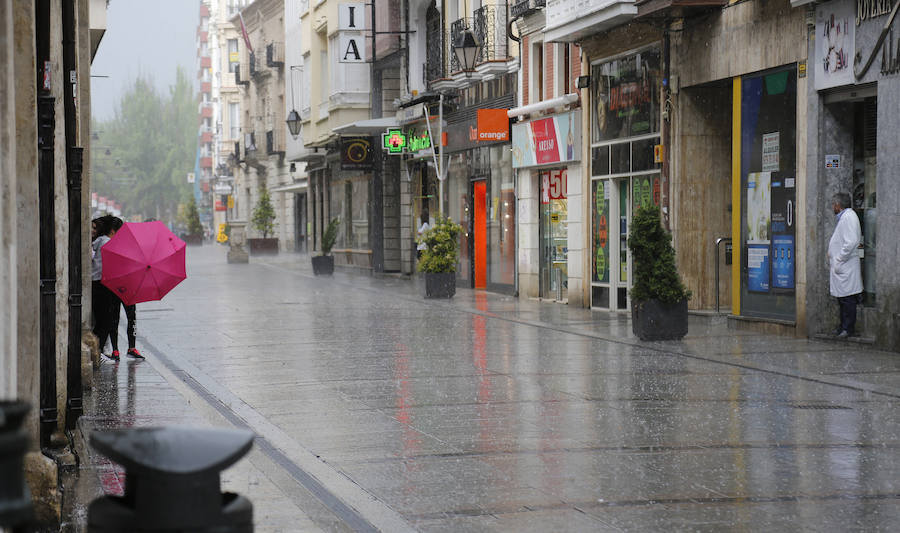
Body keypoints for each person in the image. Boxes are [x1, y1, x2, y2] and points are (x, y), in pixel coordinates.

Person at [827, 192, 863, 338]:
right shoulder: (845, 217)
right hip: (843, 266)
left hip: (846, 265)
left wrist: (840, 258)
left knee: (848, 300)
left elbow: (852, 241)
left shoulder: (849, 217)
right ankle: (842, 326)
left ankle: (848, 328)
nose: (832, 207)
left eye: (833, 204)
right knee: (842, 299)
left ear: (838, 205)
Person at [108, 217, 143, 359]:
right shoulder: (109, 245)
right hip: (117, 286)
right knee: (114, 318)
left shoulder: (129, 245)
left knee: (131, 317)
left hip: (127, 285)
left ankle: (131, 347)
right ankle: (115, 349)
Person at [91, 216, 120, 360]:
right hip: (102, 286)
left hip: (96, 284)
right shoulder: (108, 244)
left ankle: (97, 348)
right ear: (114, 231)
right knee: (105, 321)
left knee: (101, 321)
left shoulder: (98, 242)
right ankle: (97, 350)